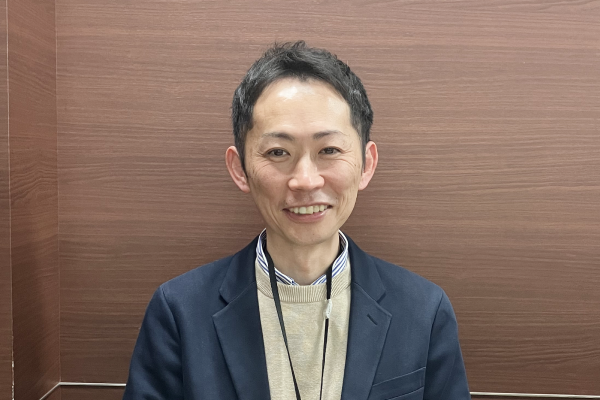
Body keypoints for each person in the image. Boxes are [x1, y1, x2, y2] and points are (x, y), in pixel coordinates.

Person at [123, 41, 470, 400]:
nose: (305, 181)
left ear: (366, 164)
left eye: (329, 150)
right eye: (278, 152)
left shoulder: (424, 310)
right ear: (240, 169)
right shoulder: (178, 311)